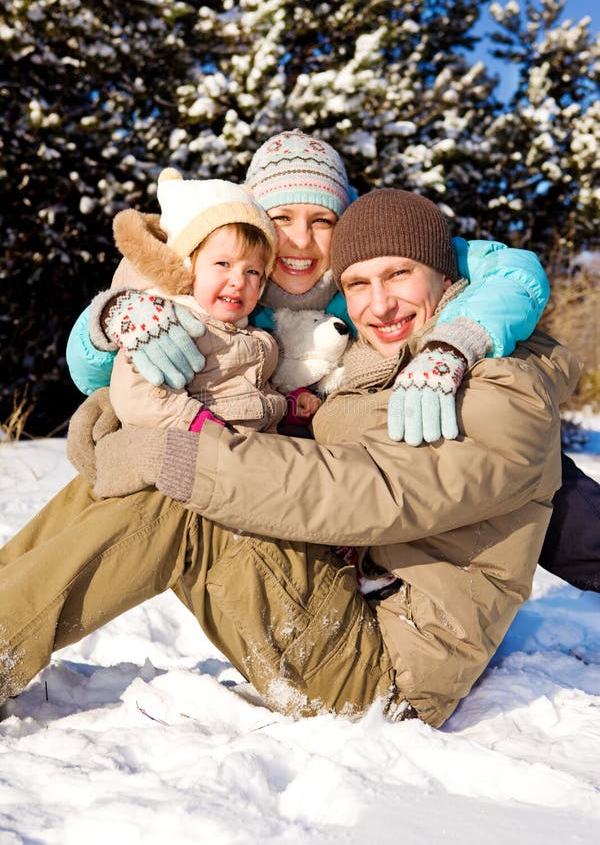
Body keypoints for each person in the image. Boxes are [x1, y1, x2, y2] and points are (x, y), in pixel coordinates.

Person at [0, 188, 580, 728]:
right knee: (168, 464)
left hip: (384, 673)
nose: (379, 304)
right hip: (345, 598)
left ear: (443, 272)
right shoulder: (379, 362)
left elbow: (367, 492)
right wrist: (119, 388)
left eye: (399, 274)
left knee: (183, 486)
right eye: (357, 284)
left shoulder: (502, 386)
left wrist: (171, 452)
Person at [64, 130, 600, 590]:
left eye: (322, 219)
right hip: (264, 449)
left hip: (382, 415)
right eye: (281, 218)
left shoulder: (371, 252)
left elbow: (513, 271)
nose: (301, 240)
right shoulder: (229, 276)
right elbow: (91, 375)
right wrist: (111, 319)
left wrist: (453, 343)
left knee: (529, 468)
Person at [107, 168, 288, 435]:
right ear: (187, 266)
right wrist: (193, 421)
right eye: (223, 264)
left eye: (252, 272)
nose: (238, 281)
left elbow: (252, 393)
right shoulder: (169, 327)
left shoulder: (256, 337)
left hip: (255, 453)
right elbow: (133, 394)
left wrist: (289, 405)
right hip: (199, 455)